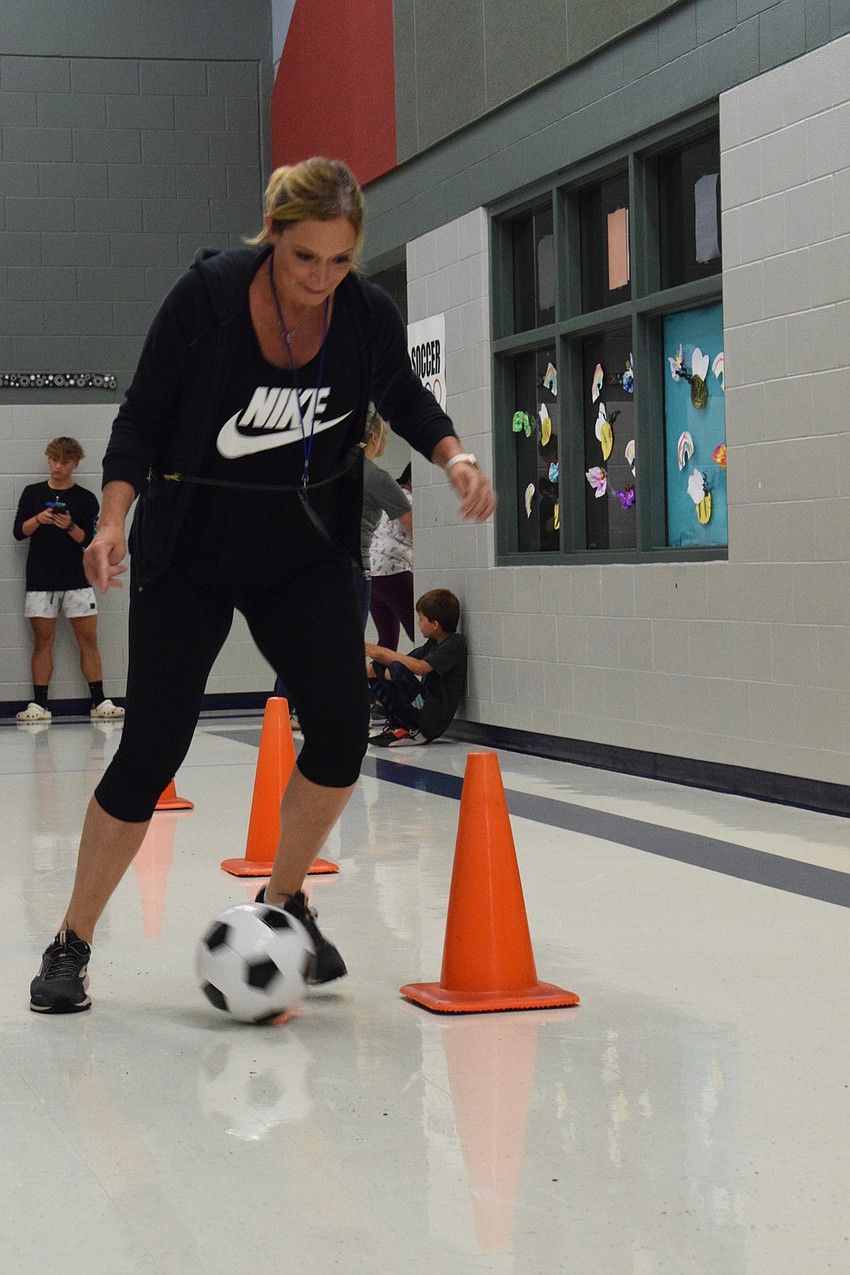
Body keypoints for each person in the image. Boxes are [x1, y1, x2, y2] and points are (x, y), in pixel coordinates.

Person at [28, 156, 496, 1014]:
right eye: (304, 257)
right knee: (150, 751)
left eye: (339, 260)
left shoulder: (363, 315)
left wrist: (455, 456)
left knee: (341, 735)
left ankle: (285, 904)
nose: (321, 278)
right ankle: (71, 942)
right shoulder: (205, 300)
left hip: (304, 552)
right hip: (191, 552)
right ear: (274, 233)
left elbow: (406, 394)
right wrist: (111, 520)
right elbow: (141, 418)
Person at [13, 436, 125, 724]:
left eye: (63, 461)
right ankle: (39, 704)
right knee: (42, 642)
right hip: (41, 579)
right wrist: (39, 519)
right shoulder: (32, 493)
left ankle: (99, 700)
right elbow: (18, 532)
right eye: (53, 459)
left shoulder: (86, 498)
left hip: (78, 579)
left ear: (75, 463)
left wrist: (69, 526)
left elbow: (90, 540)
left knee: (88, 640)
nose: (57, 466)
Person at [365, 588, 466, 747]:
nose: (418, 623)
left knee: (395, 669)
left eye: (421, 619)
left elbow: (420, 667)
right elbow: (405, 659)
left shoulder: (454, 644)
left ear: (434, 624)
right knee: (375, 668)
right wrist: (373, 654)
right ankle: (402, 724)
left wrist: (380, 650)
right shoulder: (432, 643)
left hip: (434, 720)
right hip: (423, 709)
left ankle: (413, 729)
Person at [358, 408, 412, 626]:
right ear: (374, 438)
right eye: (386, 435)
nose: (386, 440)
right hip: (357, 565)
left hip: (328, 565)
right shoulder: (377, 478)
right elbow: (413, 525)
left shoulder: (336, 469)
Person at [368, 461, 414, 651]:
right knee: (420, 633)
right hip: (394, 570)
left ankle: (376, 680)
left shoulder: (391, 494)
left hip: (371, 573)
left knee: (387, 640)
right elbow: (415, 531)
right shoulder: (410, 500)